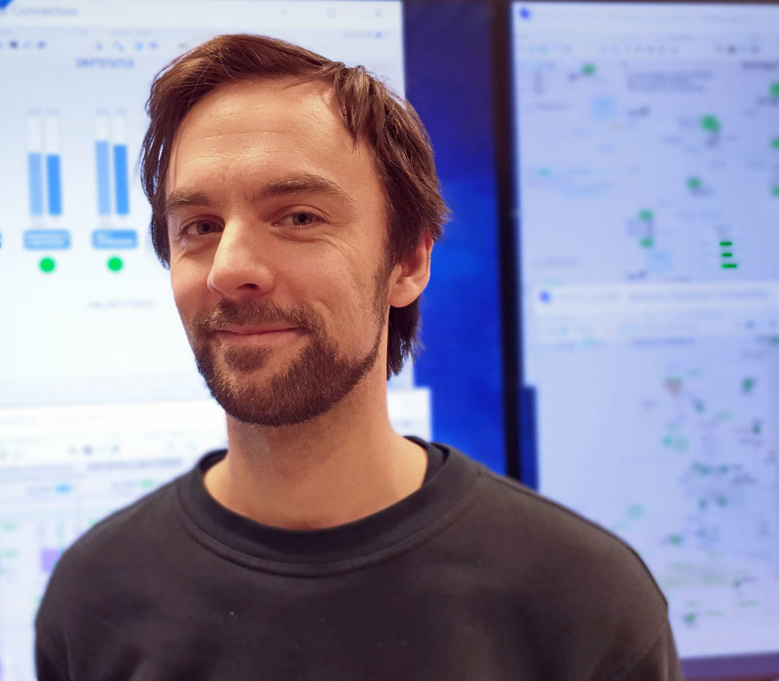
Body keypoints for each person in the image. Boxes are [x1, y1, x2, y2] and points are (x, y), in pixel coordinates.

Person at [35, 34, 681, 680]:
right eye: (200, 226)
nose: (229, 269)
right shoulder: (93, 599)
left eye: (298, 217)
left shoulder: (584, 603)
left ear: (408, 262)